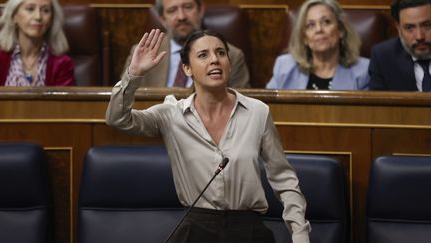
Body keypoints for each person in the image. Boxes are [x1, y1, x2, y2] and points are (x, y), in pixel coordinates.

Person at [106, 29, 310, 243]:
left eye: (221, 53)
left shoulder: (257, 112)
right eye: (203, 55)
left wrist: (300, 233)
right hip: (195, 229)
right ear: (187, 68)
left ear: (229, 63)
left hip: (248, 229)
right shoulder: (171, 114)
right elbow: (118, 119)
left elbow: (283, 178)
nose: (214, 60)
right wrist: (134, 73)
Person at [121, 0, 250, 88]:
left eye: (188, 7)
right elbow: (122, 102)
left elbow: (241, 109)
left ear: (201, 10)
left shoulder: (231, 56)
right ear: (162, 19)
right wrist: (133, 73)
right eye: (172, 10)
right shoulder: (142, 54)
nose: (181, 16)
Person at [266, 0, 369, 90]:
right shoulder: (284, 66)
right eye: (310, 25)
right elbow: (269, 106)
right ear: (304, 38)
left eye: (326, 22)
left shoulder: (363, 71)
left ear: (341, 30)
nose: (319, 29)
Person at [0, 0, 75, 86]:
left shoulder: (63, 64)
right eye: (30, 9)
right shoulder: (0, 58)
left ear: (51, 20)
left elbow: (63, 99)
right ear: (14, 16)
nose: (38, 17)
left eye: (45, 10)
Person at [369, 0, 431, 91]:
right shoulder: (383, 57)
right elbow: (378, 103)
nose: (419, 36)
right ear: (398, 28)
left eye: (427, 25)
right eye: (409, 28)